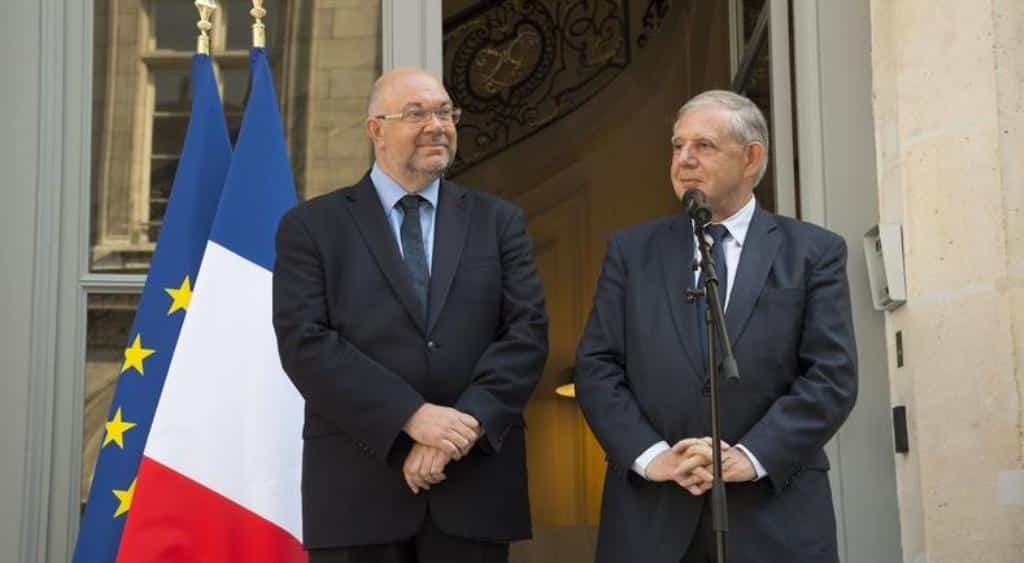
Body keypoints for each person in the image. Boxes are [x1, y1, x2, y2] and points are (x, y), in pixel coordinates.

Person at [272, 67, 548, 563]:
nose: (437, 125)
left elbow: (525, 334)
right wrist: (412, 417)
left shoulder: (499, 221)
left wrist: (457, 431)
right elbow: (305, 343)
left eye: (446, 113)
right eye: (416, 114)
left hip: (474, 489)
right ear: (375, 129)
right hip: (357, 491)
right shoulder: (312, 227)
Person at [575, 90, 857, 563]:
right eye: (676, 145)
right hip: (653, 514)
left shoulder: (814, 251)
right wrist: (652, 456)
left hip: (774, 512)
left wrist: (748, 457)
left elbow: (831, 377)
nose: (683, 159)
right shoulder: (631, 251)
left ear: (751, 158)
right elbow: (597, 366)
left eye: (703, 146)